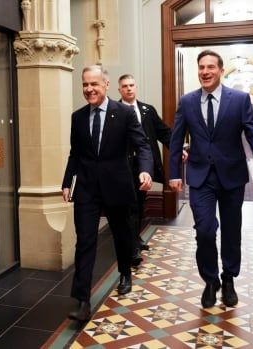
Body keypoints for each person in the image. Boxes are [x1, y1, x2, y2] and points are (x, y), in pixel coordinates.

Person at [168, 50, 253, 308]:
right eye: (201, 67)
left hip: (232, 176)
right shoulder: (187, 101)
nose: (205, 71)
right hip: (200, 176)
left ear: (221, 70)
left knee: (231, 230)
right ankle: (210, 280)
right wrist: (173, 174)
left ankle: (229, 278)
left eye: (210, 67)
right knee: (204, 230)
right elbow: (176, 139)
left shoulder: (240, 100)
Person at [62, 65, 153, 321]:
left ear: (106, 85)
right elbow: (75, 154)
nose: (89, 89)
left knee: (122, 235)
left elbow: (142, 145)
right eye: (84, 85)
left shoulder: (123, 113)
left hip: (118, 185)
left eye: (94, 84)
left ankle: (125, 272)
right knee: (85, 242)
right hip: (87, 189)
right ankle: (82, 300)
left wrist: (145, 171)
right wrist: (67, 181)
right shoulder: (78, 117)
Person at [117, 74, 172, 266]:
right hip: (124, 166)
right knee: (129, 206)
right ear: (119, 90)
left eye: (132, 85)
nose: (129, 89)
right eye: (125, 86)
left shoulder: (147, 110)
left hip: (144, 165)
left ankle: (136, 237)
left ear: (136, 87)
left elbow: (164, 132)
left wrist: (178, 148)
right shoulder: (114, 111)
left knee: (140, 203)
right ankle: (132, 247)